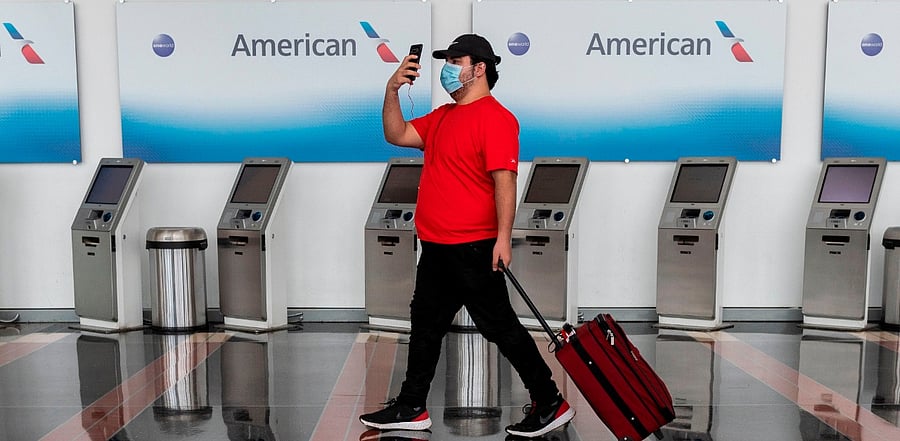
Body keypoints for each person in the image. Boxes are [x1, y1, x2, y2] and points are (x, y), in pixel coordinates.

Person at [358, 34, 575, 438]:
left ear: (480, 68)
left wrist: (504, 238)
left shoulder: (497, 118)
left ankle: (549, 401)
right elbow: (397, 134)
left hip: (473, 247)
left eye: (456, 59)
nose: (448, 67)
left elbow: (504, 181)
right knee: (425, 325)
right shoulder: (442, 117)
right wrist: (391, 89)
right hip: (437, 247)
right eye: (447, 59)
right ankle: (412, 406)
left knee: (501, 327)